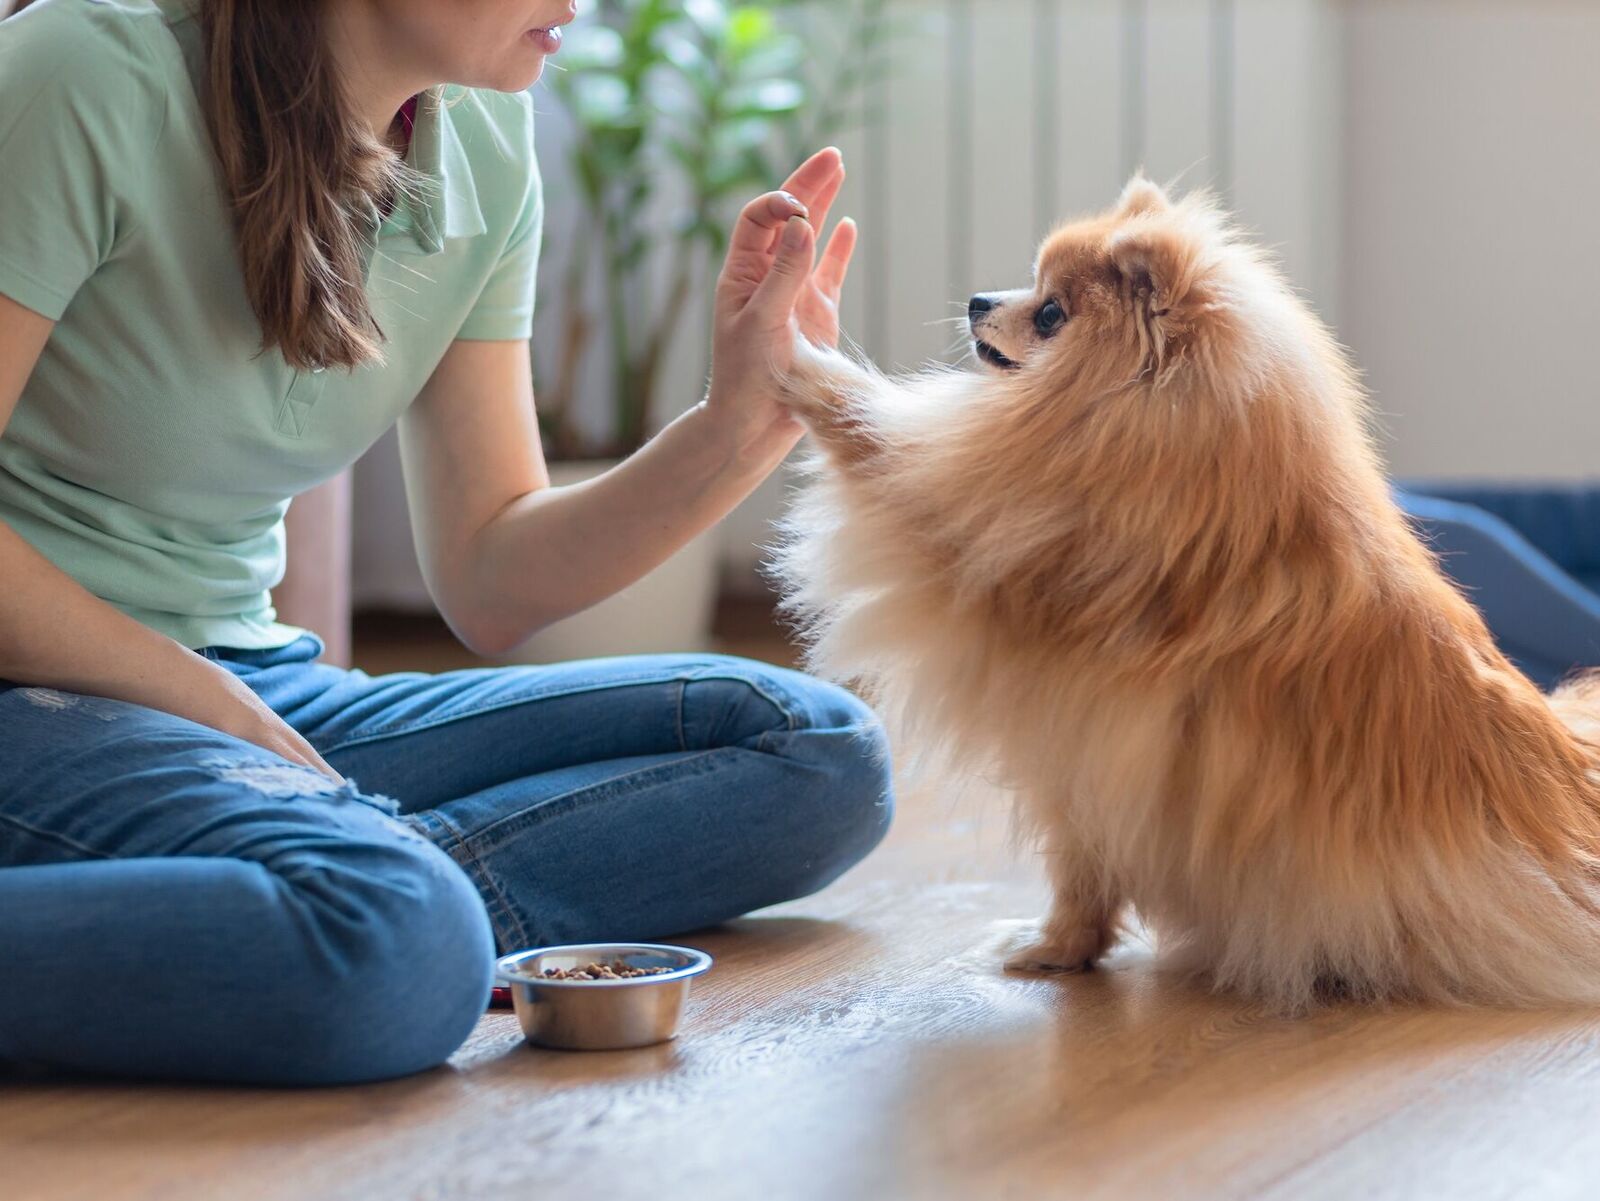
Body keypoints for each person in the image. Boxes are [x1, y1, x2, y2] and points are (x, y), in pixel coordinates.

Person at [0, 0, 891, 1086]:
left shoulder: (481, 137)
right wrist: (211, 706)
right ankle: (361, 895)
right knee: (390, 934)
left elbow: (491, 574)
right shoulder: (84, 72)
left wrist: (736, 426)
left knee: (811, 746)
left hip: (247, 689)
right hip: (35, 693)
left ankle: (322, 877)